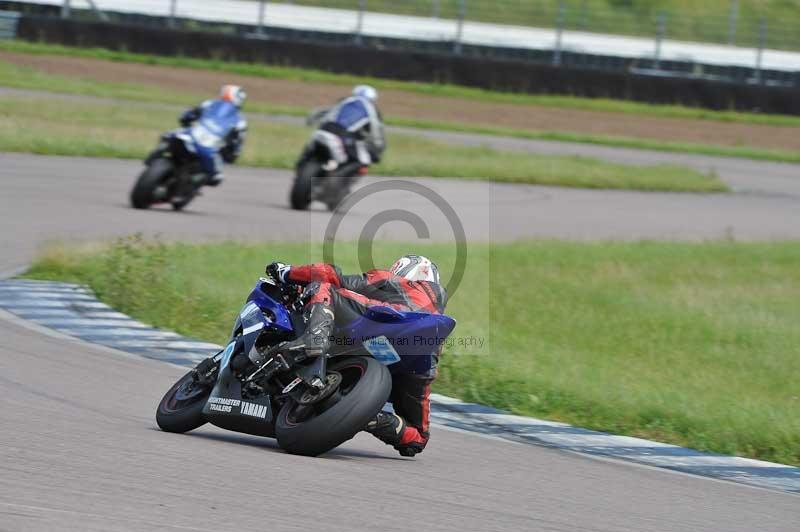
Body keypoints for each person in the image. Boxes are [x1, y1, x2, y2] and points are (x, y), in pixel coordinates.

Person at [266, 255, 447, 457]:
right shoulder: (432, 338)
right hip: (411, 351)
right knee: (418, 435)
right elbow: (418, 439)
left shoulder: (392, 280)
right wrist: (361, 412)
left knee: (322, 286)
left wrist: (286, 272)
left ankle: (313, 340)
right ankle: (374, 418)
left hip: (388, 319)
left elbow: (330, 274)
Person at [305, 84, 386, 175]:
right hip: (345, 136)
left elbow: (319, 112)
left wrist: (309, 122)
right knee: (362, 161)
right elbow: (376, 133)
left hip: (324, 129)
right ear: (373, 98)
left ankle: (303, 165)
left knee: (310, 151)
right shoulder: (371, 109)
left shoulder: (345, 101)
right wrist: (377, 151)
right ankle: (337, 181)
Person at [178, 84, 248, 186]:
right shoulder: (240, 120)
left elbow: (187, 116)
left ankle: (190, 187)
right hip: (196, 136)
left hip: (209, 143)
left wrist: (185, 120)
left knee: (215, 177)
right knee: (169, 137)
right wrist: (232, 156)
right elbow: (237, 146)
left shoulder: (209, 104)